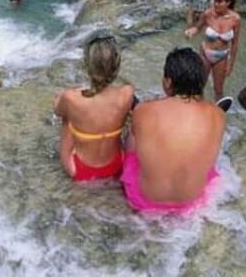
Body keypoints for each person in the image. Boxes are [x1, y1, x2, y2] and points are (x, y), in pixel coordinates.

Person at [121, 48, 225, 213]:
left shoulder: (143, 109)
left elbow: (135, 147)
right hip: (193, 202)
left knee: (133, 135)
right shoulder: (218, 115)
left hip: (145, 200)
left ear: (168, 82)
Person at [53, 32, 134, 181]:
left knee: (67, 116)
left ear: (87, 65)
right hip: (116, 164)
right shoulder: (127, 93)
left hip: (79, 170)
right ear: (116, 66)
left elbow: (57, 110)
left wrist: (69, 96)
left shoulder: (71, 97)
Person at [184, 0, 241, 101]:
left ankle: (218, 109)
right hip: (206, 53)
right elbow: (198, 28)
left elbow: (235, 44)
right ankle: (197, 107)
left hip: (222, 56)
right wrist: (191, 31)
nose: (216, 4)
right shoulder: (208, 14)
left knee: (218, 90)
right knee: (200, 86)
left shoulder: (235, 19)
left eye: (220, 2)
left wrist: (231, 64)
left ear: (228, 3)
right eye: (215, 1)